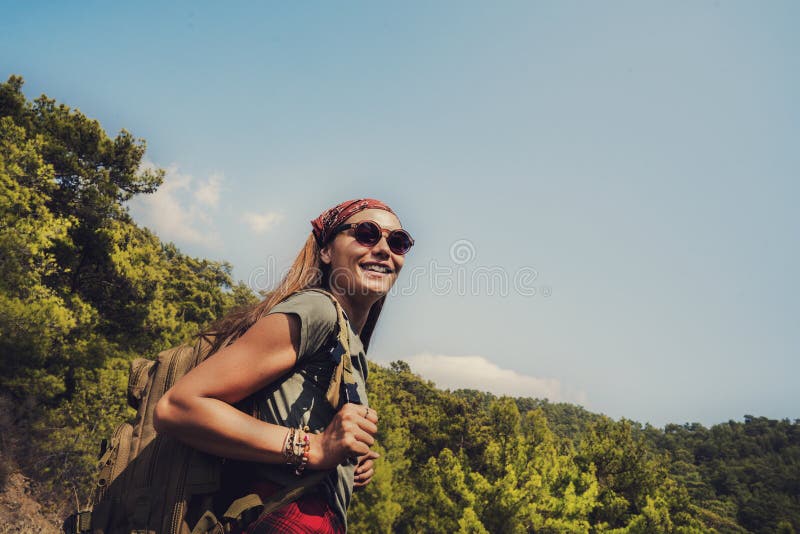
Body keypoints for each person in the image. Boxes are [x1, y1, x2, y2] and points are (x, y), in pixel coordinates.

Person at [153, 198, 414, 533]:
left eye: (398, 242)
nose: (383, 249)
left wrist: (343, 466)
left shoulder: (346, 340)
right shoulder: (317, 309)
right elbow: (178, 407)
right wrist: (314, 447)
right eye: (366, 233)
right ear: (326, 252)